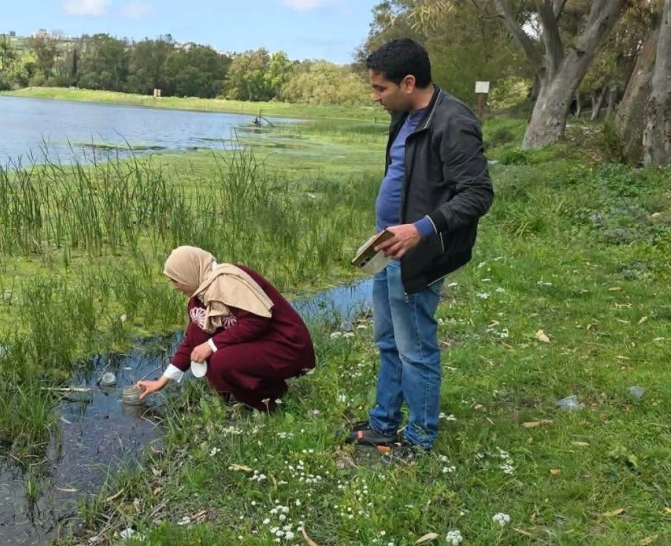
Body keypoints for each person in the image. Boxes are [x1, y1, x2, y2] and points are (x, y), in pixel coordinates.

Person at [345, 38, 493, 462]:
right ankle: (383, 423)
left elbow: (478, 194)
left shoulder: (453, 121)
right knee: (389, 341)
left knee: (416, 348)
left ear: (409, 82)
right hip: (388, 249)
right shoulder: (405, 114)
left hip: (419, 253)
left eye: (380, 89)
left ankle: (421, 439)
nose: (375, 97)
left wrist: (420, 229)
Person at [136, 246, 315, 412]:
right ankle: (246, 392)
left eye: (175, 280)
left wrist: (212, 345)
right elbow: (192, 340)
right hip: (263, 345)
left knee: (222, 360)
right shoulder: (202, 296)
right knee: (203, 342)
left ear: (188, 272)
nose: (174, 287)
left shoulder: (230, 282)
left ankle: (271, 405)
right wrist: (162, 381)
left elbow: (256, 321)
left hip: (286, 345)